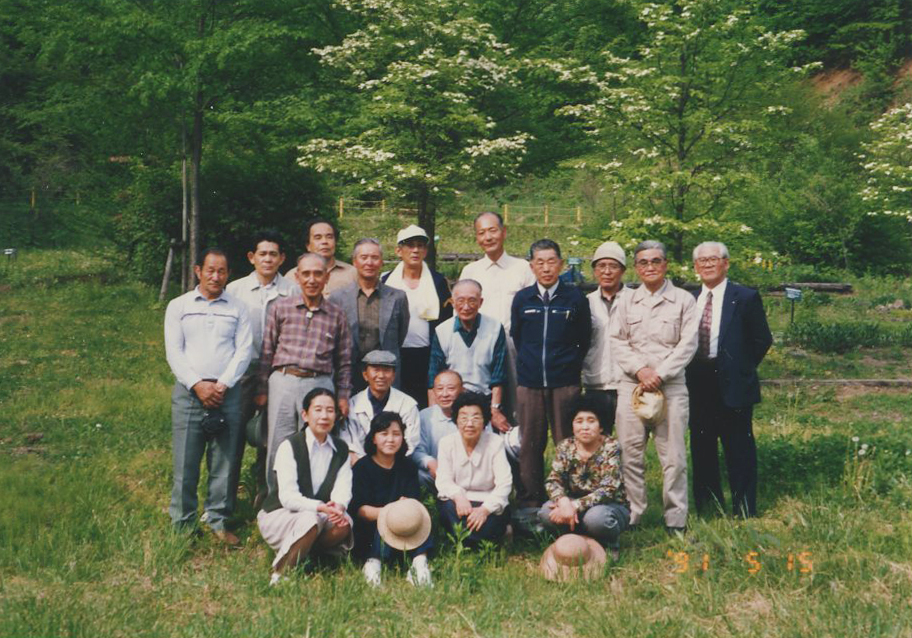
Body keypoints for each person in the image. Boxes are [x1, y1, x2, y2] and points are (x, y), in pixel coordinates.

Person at [164, 248, 252, 545]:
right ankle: (183, 525)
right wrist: (197, 385)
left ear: (228, 274)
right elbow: (174, 351)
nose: (216, 276)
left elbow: (243, 351)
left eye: (222, 271)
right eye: (210, 270)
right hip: (190, 394)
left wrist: (222, 385)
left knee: (224, 462)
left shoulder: (238, 308)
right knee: (186, 462)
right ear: (198, 270)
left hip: (227, 393)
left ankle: (217, 521)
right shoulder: (179, 306)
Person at [609, 240, 697, 533]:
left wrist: (659, 373)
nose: (650, 267)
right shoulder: (625, 301)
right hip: (631, 387)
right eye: (644, 262)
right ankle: (633, 514)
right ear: (636, 268)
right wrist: (641, 370)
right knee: (629, 454)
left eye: (656, 261)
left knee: (673, 458)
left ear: (666, 264)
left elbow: (688, 345)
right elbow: (617, 341)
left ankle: (675, 520)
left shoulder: (684, 300)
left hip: (669, 388)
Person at [686, 241, 772, 518]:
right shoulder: (688, 296)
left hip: (733, 381)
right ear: (696, 267)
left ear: (726, 263)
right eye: (702, 260)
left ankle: (744, 507)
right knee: (702, 446)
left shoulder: (744, 297)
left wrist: (741, 368)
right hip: (697, 380)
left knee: (739, 447)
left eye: (713, 259)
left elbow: (762, 339)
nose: (707, 264)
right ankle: (708, 507)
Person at [258, 252, 352, 497]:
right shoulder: (281, 308)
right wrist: (261, 390)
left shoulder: (336, 314)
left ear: (327, 277)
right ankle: (276, 500)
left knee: (317, 442)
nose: (312, 279)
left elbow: (344, 361)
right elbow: (267, 350)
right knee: (279, 443)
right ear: (297, 277)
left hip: (319, 383)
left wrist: (342, 395)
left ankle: (312, 500)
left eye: (318, 274)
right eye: (306, 274)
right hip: (284, 381)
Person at [511, 239, 591, 508]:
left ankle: (569, 499)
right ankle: (530, 503)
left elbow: (584, 339)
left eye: (551, 261)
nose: (546, 267)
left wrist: (567, 368)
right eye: (540, 262)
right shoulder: (523, 299)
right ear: (532, 266)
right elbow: (518, 337)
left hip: (564, 384)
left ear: (561, 263)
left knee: (567, 444)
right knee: (530, 445)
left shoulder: (575, 298)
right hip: (530, 384)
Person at [226, 229, 297, 507]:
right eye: (262, 254)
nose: (267, 259)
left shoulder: (291, 290)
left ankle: (266, 493)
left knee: (272, 435)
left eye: (273, 254)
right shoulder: (235, 290)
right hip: (242, 370)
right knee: (235, 433)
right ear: (251, 257)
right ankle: (226, 497)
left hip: (279, 370)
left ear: (282, 259)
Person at [257, 388, 353, 586]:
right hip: (280, 514)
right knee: (310, 520)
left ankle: (308, 556)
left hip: (319, 514)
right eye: (318, 410)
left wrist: (338, 507)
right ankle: (281, 573)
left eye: (330, 410)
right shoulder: (290, 446)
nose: (324, 416)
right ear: (305, 415)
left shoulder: (341, 449)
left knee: (345, 523)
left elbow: (343, 488)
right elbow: (288, 497)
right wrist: (320, 507)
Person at [459, 212, 535, 418]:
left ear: (504, 232)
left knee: (517, 408)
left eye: (493, 230)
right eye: (482, 233)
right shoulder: (470, 271)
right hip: (478, 347)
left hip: (514, 347)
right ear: (476, 237)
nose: (488, 237)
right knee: (480, 407)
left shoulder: (523, 268)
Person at [538, 395, 630, 559]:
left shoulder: (611, 446)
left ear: (601, 426)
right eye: (579, 421)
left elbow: (608, 489)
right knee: (545, 513)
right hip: (573, 506)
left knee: (596, 519)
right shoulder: (565, 446)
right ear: (572, 426)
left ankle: (608, 544)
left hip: (607, 506)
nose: (585, 427)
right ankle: (571, 541)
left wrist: (574, 506)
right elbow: (553, 481)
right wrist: (564, 502)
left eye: (591, 421)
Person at [351, 411, 433, 587]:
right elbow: (360, 510)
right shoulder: (362, 467)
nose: (390, 439)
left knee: (422, 519)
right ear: (373, 438)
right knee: (382, 526)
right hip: (370, 528)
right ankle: (373, 566)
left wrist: (403, 511)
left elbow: (413, 504)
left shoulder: (408, 467)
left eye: (396, 434)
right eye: (384, 434)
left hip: (404, 526)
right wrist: (391, 511)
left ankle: (420, 565)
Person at [381, 225, 452, 409]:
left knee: (425, 404)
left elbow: (446, 319)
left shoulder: (437, 281)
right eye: (410, 245)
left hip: (427, 354)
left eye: (420, 245)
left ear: (426, 250)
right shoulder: (386, 281)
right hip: (395, 354)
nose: (415, 250)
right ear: (399, 250)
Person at [426, 279, 510, 432]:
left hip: (485, 400)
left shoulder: (495, 328)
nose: (466, 307)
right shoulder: (442, 331)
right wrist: (434, 414)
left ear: (481, 302)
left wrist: (495, 409)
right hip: (452, 401)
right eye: (460, 301)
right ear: (452, 302)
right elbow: (434, 377)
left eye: (472, 301)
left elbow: (498, 375)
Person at [328, 238, 409, 393]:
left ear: (381, 262)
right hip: (349, 371)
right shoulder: (337, 298)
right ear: (355, 262)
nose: (369, 262)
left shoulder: (397, 297)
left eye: (374, 257)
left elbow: (400, 335)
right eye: (364, 257)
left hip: (384, 371)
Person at [435, 392, 512, 548]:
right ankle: (478, 539)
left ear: (484, 421)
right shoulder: (446, 443)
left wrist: (484, 510)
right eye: (463, 418)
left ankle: (467, 540)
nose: (469, 424)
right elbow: (443, 480)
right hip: (460, 502)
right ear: (456, 420)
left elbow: (505, 483)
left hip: (487, 502)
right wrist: (458, 497)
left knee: (490, 522)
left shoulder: (495, 443)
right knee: (447, 509)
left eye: (476, 418)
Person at [581, 241, 628, 433]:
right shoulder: (585, 303)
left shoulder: (634, 300)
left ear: (623, 270)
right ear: (594, 271)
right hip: (595, 384)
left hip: (627, 384)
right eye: (601, 266)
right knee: (598, 440)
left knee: (630, 444)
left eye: (613, 266)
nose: (607, 271)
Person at [341, 350, 420, 463]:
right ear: (365, 375)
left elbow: (411, 444)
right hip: (360, 467)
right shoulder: (352, 405)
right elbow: (350, 445)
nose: (381, 376)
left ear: (393, 376)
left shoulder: (407, 405)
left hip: (396, 465)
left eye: (387, 370)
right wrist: (369, 469)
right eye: (376, 370)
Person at [413, 369, 464, 491]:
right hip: (435, 475)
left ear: (462, 390)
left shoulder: (473, 413)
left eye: (451, 389)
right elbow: (416, 450)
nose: (445, 394)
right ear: (434, 392)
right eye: (440, 389)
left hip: (467, 475)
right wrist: (431, 463)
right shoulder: (424, 416)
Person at [283, 218, 355, 295]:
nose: (324, 241)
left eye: (329, 237)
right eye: (318, 238)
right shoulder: (292, 277)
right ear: (308, 246)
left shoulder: (352, 273)